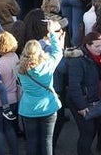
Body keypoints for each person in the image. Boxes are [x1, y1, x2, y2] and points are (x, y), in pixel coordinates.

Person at [17, 25, 63, 155]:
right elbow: (58, 52)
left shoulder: (19, 69)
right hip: (48, 107)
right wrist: (52, 34)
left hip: (28, 109)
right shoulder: (48, 65)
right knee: (47, 140)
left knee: (31, 141)